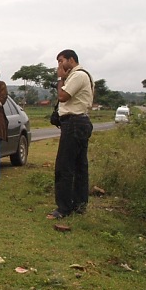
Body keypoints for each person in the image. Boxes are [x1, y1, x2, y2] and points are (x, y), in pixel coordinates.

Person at [48, 49, 94, 219]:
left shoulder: (78, 75)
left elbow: (62, 96)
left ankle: (63, 208)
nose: (59, 64)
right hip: (81, 121)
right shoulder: (84, 75)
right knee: (79, 166)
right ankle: (80, 205)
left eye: (61, 61)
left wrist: (61, 78)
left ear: (71, 60)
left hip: (74, 122)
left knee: (64, 166)